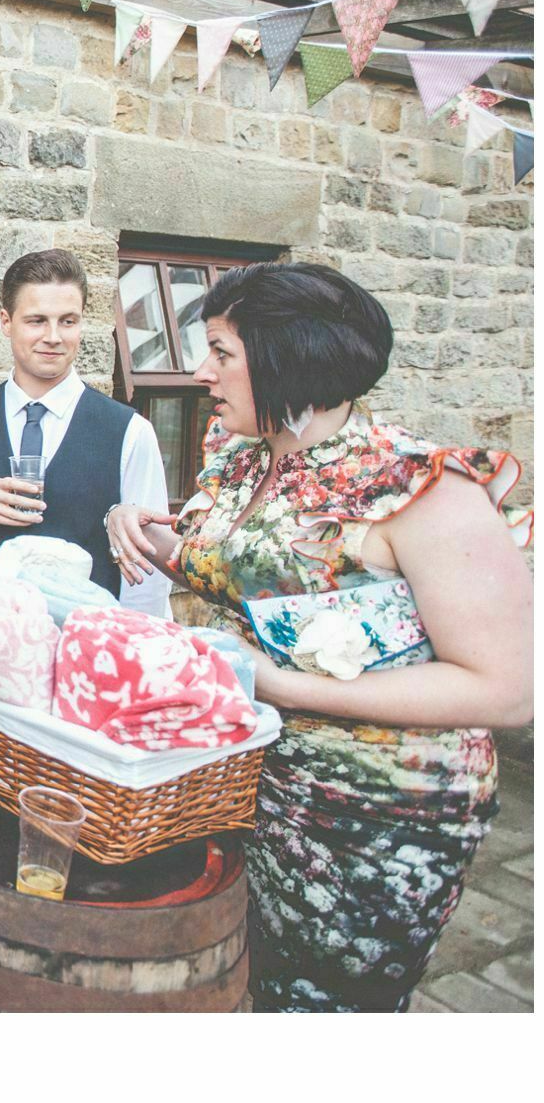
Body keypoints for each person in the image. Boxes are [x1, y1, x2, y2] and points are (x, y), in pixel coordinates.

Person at [106, 261, 533, 1012]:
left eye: (221, 353)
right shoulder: (243, 456)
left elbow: (507, 689)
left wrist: (280, 685)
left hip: (370, 817)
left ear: (289, 356)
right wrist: (139, 528)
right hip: (239, 782)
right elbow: (239, 568)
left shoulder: (420, 489)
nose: (202, 373)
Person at [0, 248, 171, 614]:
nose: (53, 336)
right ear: (6, 322)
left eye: (68, 321)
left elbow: (148, 563)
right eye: (37, 321)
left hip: (88, 638)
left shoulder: (130, 431)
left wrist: (139, 640)